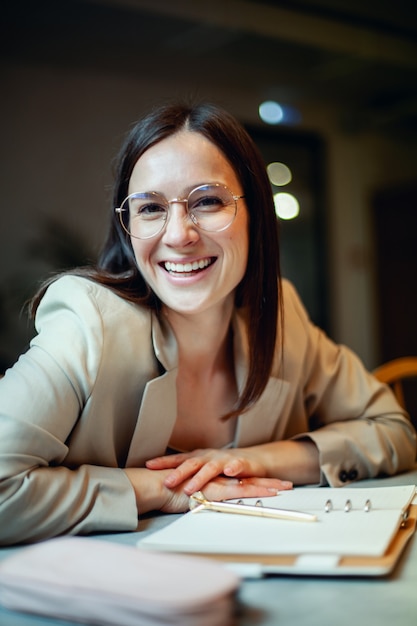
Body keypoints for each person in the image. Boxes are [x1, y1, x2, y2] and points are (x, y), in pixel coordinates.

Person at [0, 102, 415, 546]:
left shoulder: (278, 314)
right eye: (150, 209)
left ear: (255, 214)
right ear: (127, 226)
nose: (179, 235)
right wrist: (164, 488)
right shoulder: (88, 322)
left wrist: (255, 461)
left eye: (209, 201)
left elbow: (395, 430)